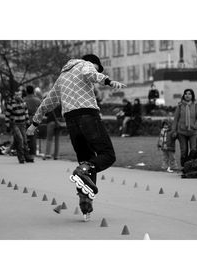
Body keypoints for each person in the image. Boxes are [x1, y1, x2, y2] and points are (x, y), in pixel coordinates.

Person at [26, 54, 126, 220]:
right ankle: (83, 173)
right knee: (107, 155)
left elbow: (47, 103)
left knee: (87, 161)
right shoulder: (85, 65)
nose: (95, 71)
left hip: (71, 122)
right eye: (96, 67)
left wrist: (34, 124)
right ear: (92, 62)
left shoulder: (62, 76)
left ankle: (85, 202)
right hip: (88, 115)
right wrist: (108, 81)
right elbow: (91, 74)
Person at [171, 89, 197, 169]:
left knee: (193, 150)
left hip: (194, 132)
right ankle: (184, 166)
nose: (187, 95)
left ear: (192, 96)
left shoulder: (196, 105)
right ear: (183, 95)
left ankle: (193, 166)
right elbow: (176, 119)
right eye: (186, 94)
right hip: (182, 132)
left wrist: (195, 126)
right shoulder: (180, 105)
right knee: (184, 150)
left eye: (189, 94)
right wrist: (173, 130)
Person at [5, 88, 34, 164]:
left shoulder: (23, 102)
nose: (18, 96)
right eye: (16, 95)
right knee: (20, 139)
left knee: (25, 140)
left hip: (23, 124)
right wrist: (7, 125)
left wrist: (28, 122)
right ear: (14, 95)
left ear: (21, 95)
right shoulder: (11, 103)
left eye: (19, 94)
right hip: (15, 124)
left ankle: (26, 156)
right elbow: (7, 115)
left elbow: (26, 113)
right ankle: (21, 157)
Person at [24, 85, 42, 157]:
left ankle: (26, 152)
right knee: (33, 136)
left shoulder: (24, 100)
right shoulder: (37, 100)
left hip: (25, 118)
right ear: (33, 91)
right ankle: (33, 153)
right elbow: (41, 109)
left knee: (25, 136)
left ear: (26, 91)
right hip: (34, 118)